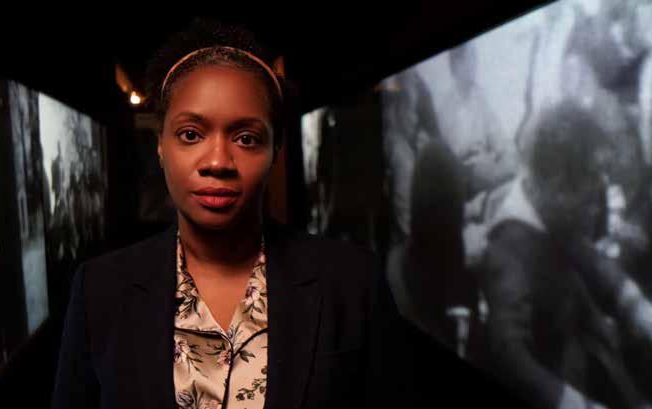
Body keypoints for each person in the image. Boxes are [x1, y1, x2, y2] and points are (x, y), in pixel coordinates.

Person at [52, 19, 414, 408]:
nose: (218, 162)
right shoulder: (100, 289)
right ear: (160, 145)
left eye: (246, 138)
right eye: (191, 134)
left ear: (275, 150)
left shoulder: (352, 282)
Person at [478, 103, 650, 409]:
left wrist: (641, 310)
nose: (595, 211)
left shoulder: (548, 204)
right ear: (557, 188)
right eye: (587, 202)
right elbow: (510, 354)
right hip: (567, 378)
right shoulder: (507, 248)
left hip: (592, 349)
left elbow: (587, 256)